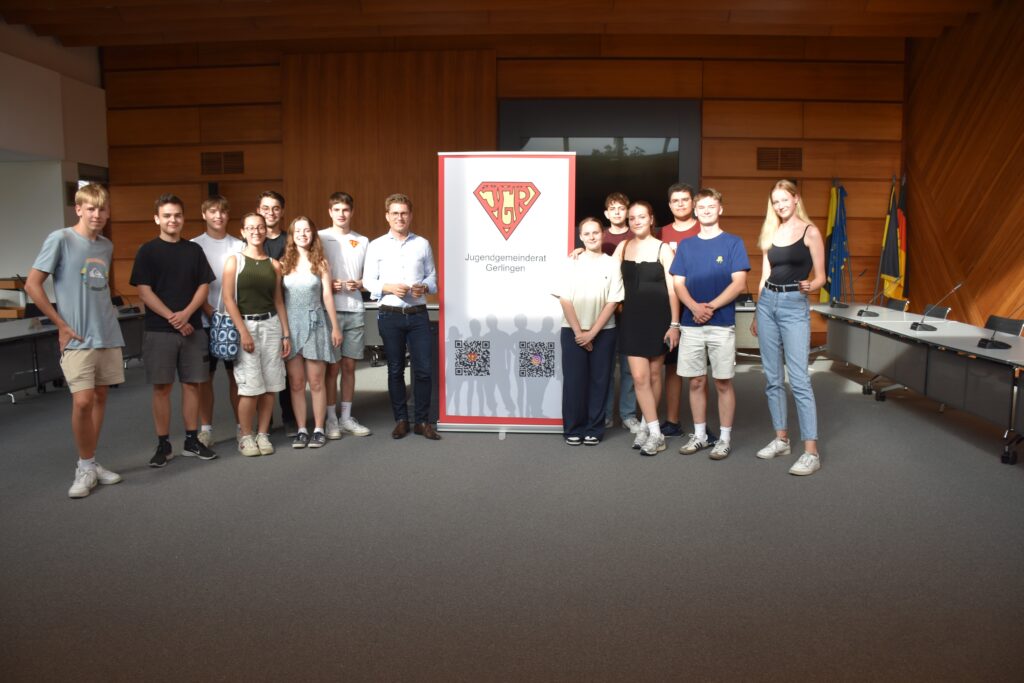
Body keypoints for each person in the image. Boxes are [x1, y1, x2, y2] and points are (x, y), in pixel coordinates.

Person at [25, 183, 126, 498]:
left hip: (107, 333)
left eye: (102, 209)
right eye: (91, 208)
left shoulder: (106, 246)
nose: (97, 214)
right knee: (82, 401)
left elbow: (97, 289)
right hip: (78, 336)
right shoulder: (61, 239)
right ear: (79, 209)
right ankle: (84, 466)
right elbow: (32, 285)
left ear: (108, 213)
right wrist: (60, 324)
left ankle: (91, 462)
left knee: (100, 399)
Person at [130, 194, 217, 467]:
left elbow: (204, 286)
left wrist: (187, 314)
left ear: (183, 218)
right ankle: (163, 444)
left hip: (193, 329)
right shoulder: (147, 250)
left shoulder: (193, 251)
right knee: (162, 388)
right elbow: (144, 291)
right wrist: (173, 317)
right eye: (167, 215)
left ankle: (192, 440)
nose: (173, 220)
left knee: (192, 385)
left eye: (177, 215)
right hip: (159, 331)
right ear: (157, 218)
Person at [750, 179, 826, 476]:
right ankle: (781, 439)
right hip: (768, 303)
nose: (780, 205)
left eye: (784, 199)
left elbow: (820, 277)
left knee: (799, 380)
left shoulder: (811, 232)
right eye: (775, 201)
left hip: (794, 305)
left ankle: (811, 452)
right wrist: (758, 311)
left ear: (796, 199)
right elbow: (763, 275)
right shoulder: (772, 231)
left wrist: (812, 284)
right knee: (771, 377)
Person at [671, 188, 750, 460]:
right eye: (701, 207)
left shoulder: (733, 243)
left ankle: (725, 438)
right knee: (695, 381)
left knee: (723, 383)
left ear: (720, 209)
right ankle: (701, 435)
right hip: (691, 323)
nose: (706, 210)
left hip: (721, 323)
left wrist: (711, 307)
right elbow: (678, 283)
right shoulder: (686, 245)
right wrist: (694, 307)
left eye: (711, 206)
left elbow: (739, 283)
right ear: (695, 211)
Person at [364, 193, 440, 441]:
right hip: (390, 315)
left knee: (424, 370)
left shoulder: (423, 244)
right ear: (387, 216)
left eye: (404, 213)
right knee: (395, 369)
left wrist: (425, 288)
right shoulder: (376, 245)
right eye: (395, 213)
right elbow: (367, 281)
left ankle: (422, 421)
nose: (400, 217)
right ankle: (401, 420)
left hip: (418, 315)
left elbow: (433, 278)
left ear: (410, 215)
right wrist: (388, 287)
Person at [613, 200, 680, 456]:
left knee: (653, 376)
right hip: (631, 319)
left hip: (659, 319)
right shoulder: (623, 246)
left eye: (642, 216)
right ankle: (656, 433)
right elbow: (607, 275)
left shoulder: (663, 249)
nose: (637, 221)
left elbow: (673, 290)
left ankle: (645, 426)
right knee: (639, 378)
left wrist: (674, 325)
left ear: (651, 219)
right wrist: (580, 254)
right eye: (632, 218)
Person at [222, 212, 291, 456]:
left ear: (265, 230)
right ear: (242, 231)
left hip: (271, 326)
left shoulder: (274, 264)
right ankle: (246, 435)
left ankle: (263, 433)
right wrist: (243, 332)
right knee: (250, 388)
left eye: (260, 227)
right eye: (250, 227)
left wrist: (285, 334)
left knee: (271, 385)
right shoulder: (235, 261)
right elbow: (229, 300)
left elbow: (279, 301)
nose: (256, 231)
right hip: (247, 326)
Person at [555, 217, 624, 445]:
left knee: (600, 381)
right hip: (572, 330)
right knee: (574, 381)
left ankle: (594, 428)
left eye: (596, 232)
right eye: (587, 233)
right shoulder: (570, 262)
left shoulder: (612, 263)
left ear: (603, 234)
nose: (592, 237)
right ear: (581, 236)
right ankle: (573, 427)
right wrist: (579, 334)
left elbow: (613, 301)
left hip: (604, 332)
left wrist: (592, 334)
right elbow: (564, 299)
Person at [281, 217, 342, 448]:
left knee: (316, 382)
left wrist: (335, 326)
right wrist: (283, 333)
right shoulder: (284, 263)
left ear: (313, 234)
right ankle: (301, 430)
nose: (302, 234)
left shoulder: (321, 263)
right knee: (296, 383)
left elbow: (327, 295)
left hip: (316, 323)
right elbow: (279, 299)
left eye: (307, 230)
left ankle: (318, 428)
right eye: (298, 231)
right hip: (291, 326)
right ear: (292, 235)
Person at [192, 195, 244, 447]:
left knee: (237, 376)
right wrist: (208, 309)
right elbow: (193, 284)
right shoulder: (194, 246)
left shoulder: (240, 245)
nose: (218, 216)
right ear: (204, 215)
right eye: (212, 211)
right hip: (204, 321)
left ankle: (241, 427)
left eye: (222, 211)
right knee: (205, 377)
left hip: (233, 322)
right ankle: (206, 428)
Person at [319, 192, 372, 439]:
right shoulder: (319, 237)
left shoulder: (362, 241)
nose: (341, 214)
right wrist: (328, 284)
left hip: (355, 309)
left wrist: (359, 283)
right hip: (329, 311)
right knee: (332, 368)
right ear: (330, 212)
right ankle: (331, 420)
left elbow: (370, 279)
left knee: (349, 366)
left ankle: (346, 417)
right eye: (337, 209)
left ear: (352, 212)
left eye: (346, 210)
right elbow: (312, 274)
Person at [659, 183, 701, 438]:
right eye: (676, 201)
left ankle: (700, 425)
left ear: (693, 203)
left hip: (697, 306)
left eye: (685, 200)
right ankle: (672, 421)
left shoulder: (703, 228)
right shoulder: (661, 232)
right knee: (672, 366)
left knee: (698, 371)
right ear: (670, 205)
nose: (681, 204)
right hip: (668, 306)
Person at [600, 192, 639, 433]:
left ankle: (627, 414)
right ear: (606, 213)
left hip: (631, 312)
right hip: (604, 311)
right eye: (612, 208)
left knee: (628, 367)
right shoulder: (598, 236)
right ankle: (604, 415)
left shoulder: (636, 236)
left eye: (621, 208)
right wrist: (579, 252)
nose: (616, 212)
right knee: (605, 367)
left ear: (627, 211)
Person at [257, 190, 295, 435]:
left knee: (287, 367)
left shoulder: (290, 240)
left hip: (287, 308)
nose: (270, 213)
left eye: (275, 208)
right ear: (259, 210)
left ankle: (290, 418)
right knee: (262, 367)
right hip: (259, 311)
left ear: (282, 212)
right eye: (265, 208)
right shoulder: (251, 241)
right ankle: (265, 422)